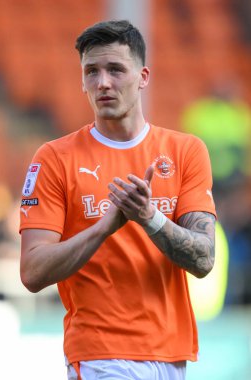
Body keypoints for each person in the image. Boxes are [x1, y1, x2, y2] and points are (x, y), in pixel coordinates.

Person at [20, 20, 216, 380]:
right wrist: (103, 228)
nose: (103, 83)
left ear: (142, 77)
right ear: (81, 81)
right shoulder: (54, 158)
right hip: (100, 354)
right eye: (91, 71)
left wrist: (148, 217)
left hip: (172, 355)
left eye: (115, 70)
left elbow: (204, 259)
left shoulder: (185, 151)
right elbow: (32, 272)